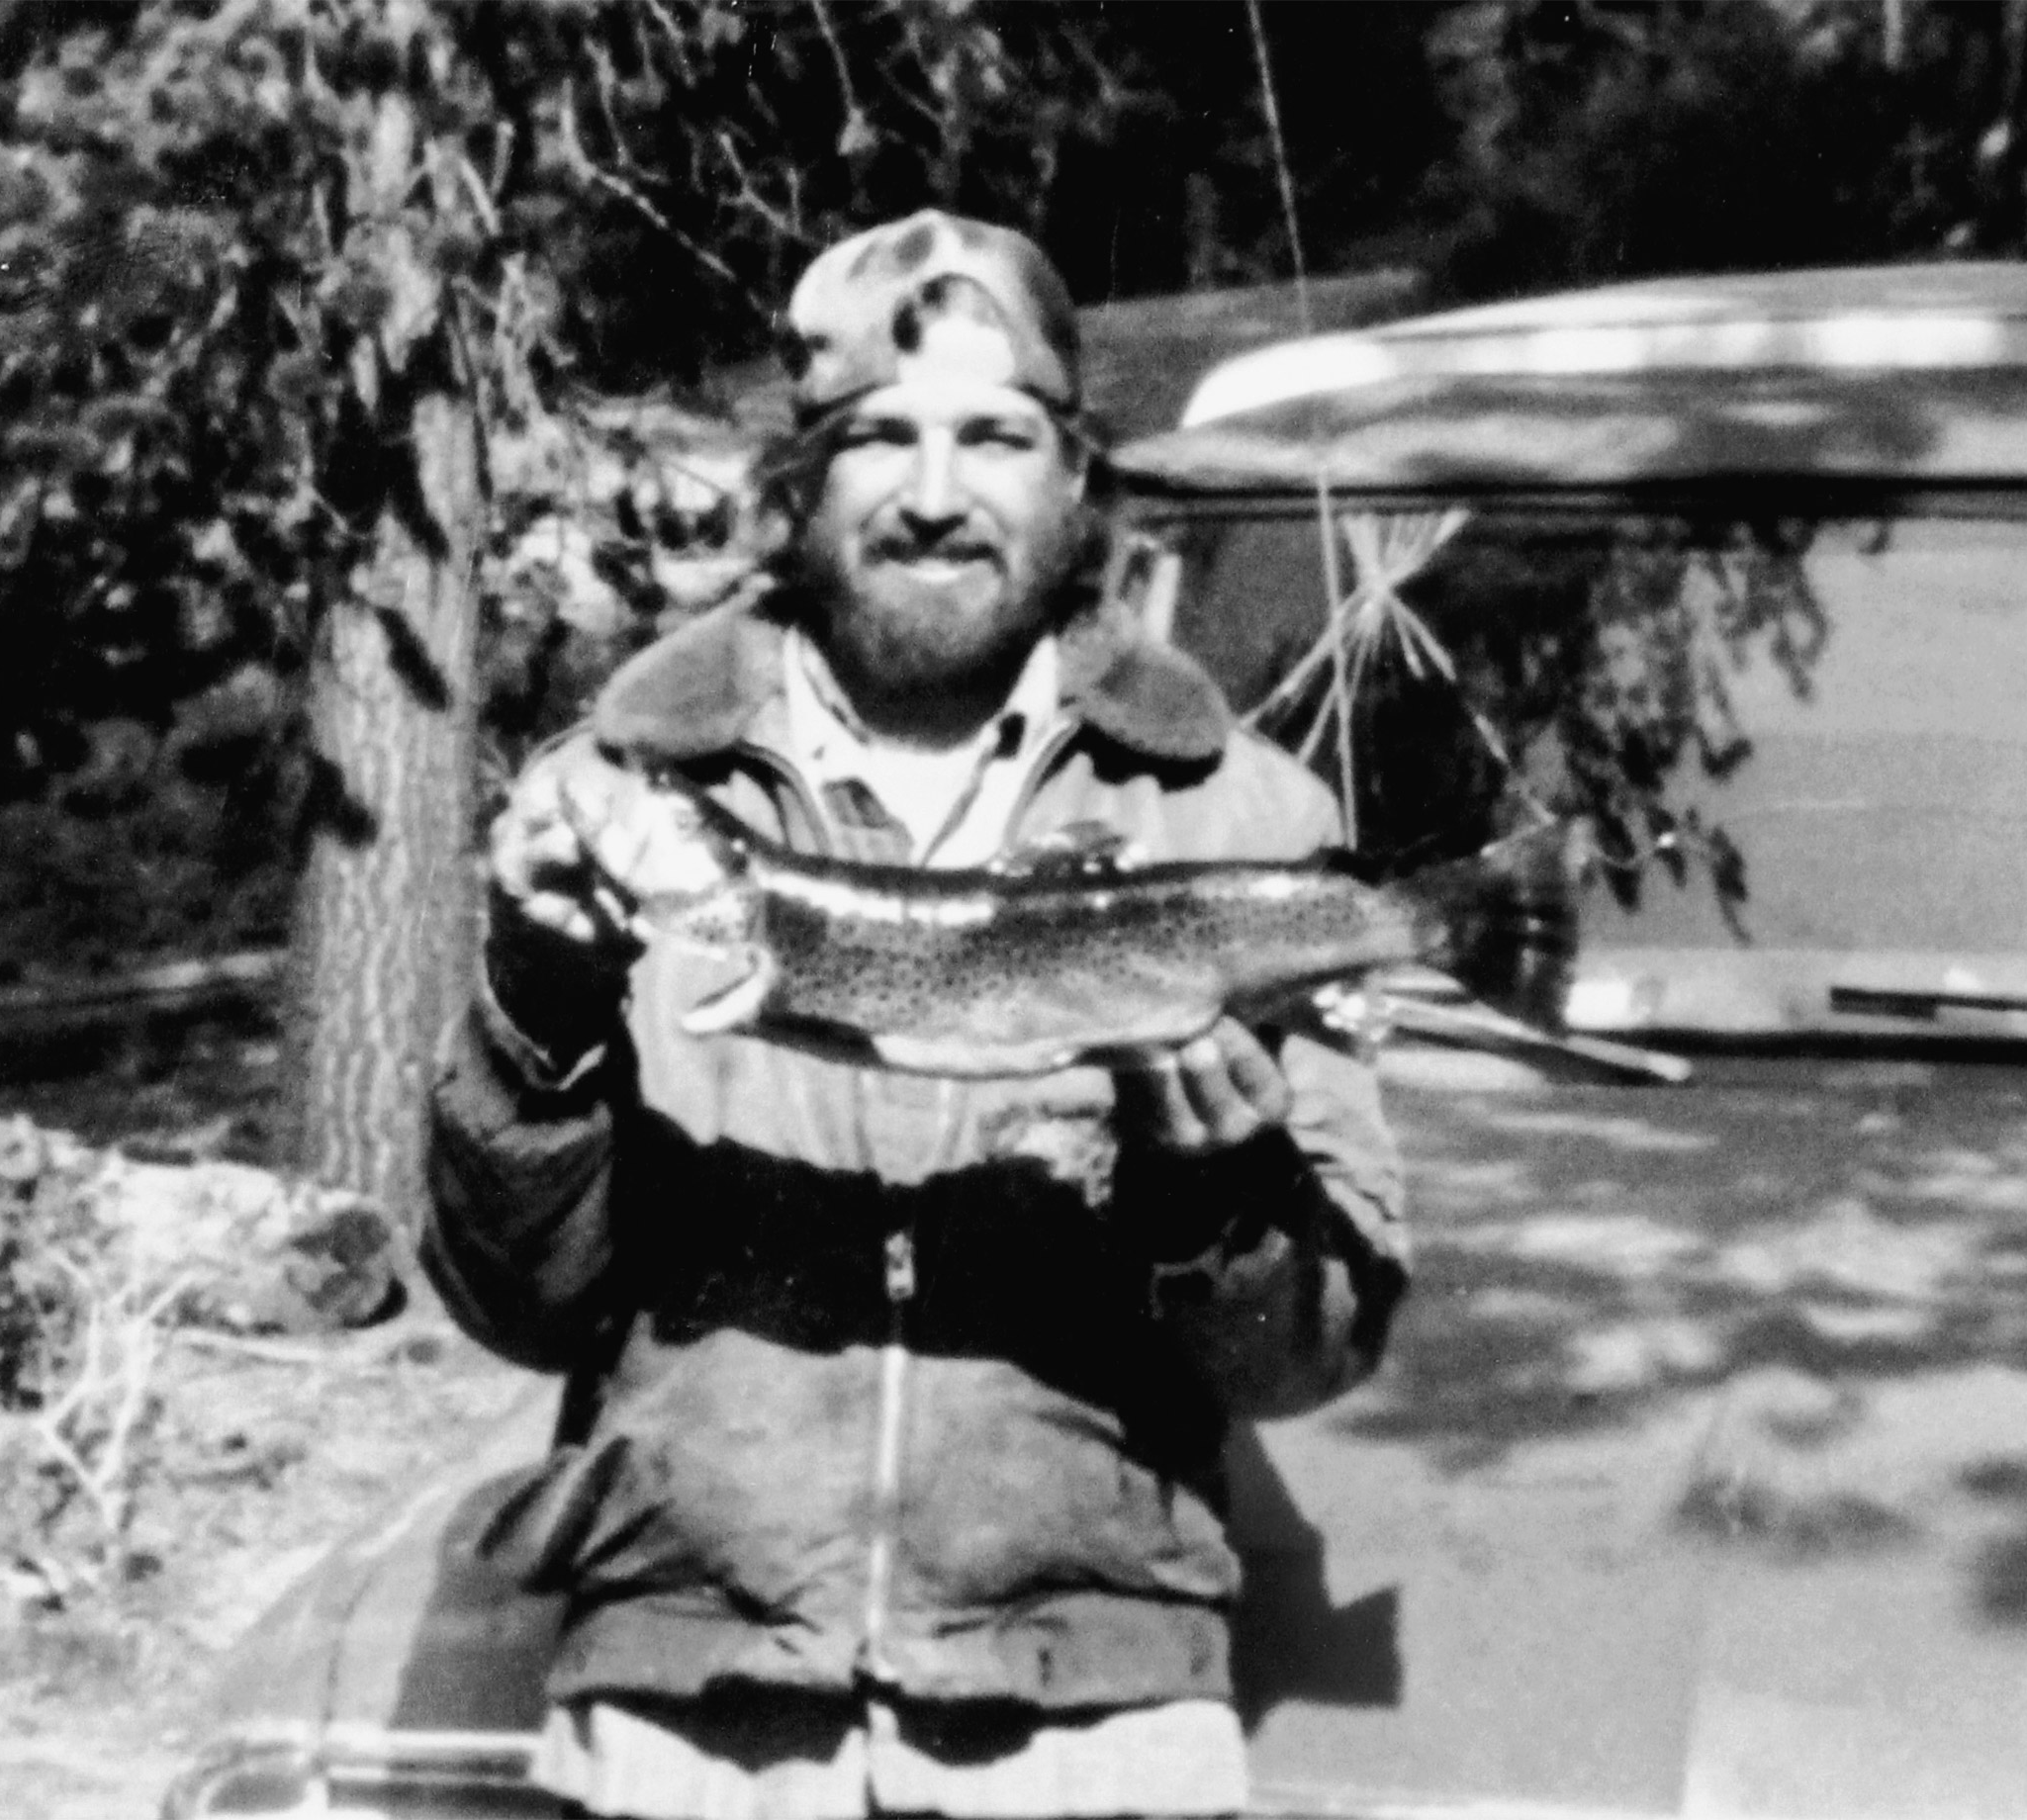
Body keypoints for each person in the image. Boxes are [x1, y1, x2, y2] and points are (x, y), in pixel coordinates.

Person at [424, 209, 1410, 1819]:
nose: (938, 494)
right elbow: (516, 1307)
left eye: (995, 436)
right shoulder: (606, 795)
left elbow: (1308, 1354)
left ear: (1077, 478)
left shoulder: (1238, 825)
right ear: (800, 483)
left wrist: (1215, 1193)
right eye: (879, 436)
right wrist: (536, 1012)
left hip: (1090, 1733)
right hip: (691, 1728)